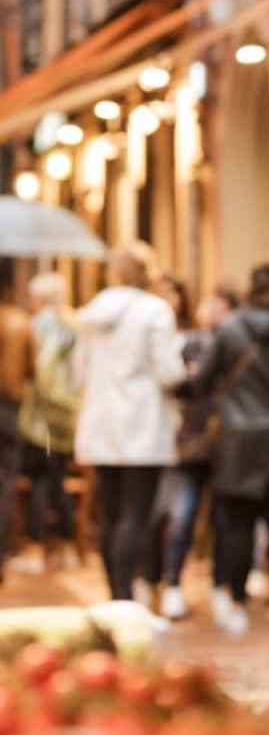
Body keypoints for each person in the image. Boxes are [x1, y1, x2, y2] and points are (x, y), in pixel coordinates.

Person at [183, 264, 269, 635]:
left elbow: (203, 381)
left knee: (235, 525)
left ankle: (234, 599)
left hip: (237, 440)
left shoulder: (229, 329)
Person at [73, 243, 187, 601]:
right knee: (136, 516)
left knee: (110, 514)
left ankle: (114, 594)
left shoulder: (91, 314)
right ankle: (126, 598)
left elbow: (79, 372)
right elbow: (168, 371)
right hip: (143, 423)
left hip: (101, 423)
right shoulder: (155, 311)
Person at [141, 275, 215, 619]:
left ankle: (170, 582)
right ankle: (149, 580)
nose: (166, 301)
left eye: (171, 293)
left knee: (180, 515)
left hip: (186, 438)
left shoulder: (194, 337)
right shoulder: (143, 333)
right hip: (149, 434)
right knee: (152, 513)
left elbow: (196, 383)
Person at [17, 272, 80, 573]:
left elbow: (45, 372)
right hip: (69, 415)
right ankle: (66, 546)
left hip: (44, 417)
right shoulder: (74, 323)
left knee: (43, 480)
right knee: (56, 478)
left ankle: (38, 547)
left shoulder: (44, 324)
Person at [0, 265, 31, 578]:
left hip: (9, 407)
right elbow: (33, 368)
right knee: (6, 480)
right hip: (8, 407)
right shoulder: (19, 323)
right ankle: (2, 550)